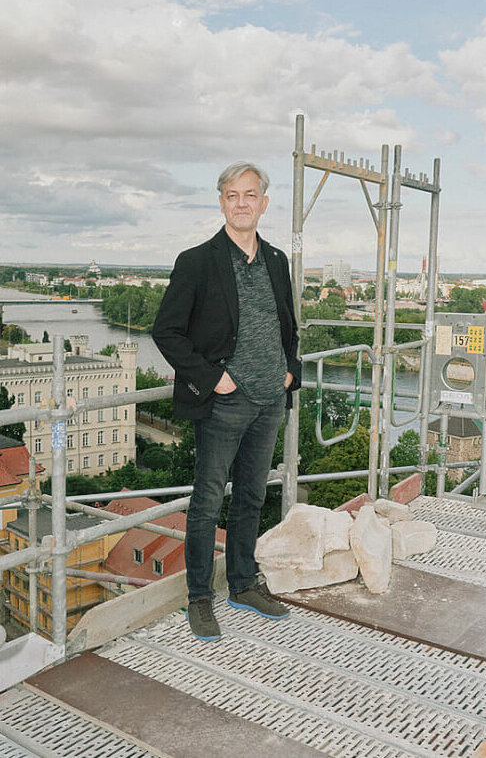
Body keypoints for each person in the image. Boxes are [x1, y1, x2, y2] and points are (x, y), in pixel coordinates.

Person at [153, 162, 301, 641]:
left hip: (268, 401)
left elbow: (288, 326)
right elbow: (167, 331)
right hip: (225, 402)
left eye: (250, 194)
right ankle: (199, 597)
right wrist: (213, 379)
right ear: (221, 202)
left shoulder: (277, 259)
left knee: (253, 496)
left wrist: (289, 370)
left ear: (263, 202)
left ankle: (242, 583)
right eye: (232, 195)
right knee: (208, 501)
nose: (242, 203)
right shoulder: (197, 261)